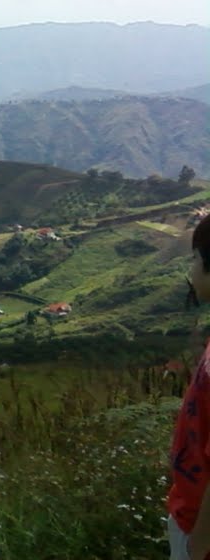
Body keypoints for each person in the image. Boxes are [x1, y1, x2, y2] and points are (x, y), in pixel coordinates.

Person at [167, 212, 210, 559]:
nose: (190, 270)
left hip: (198, 531)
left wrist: (199, 545)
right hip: (187, 513)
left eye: (195, 259)